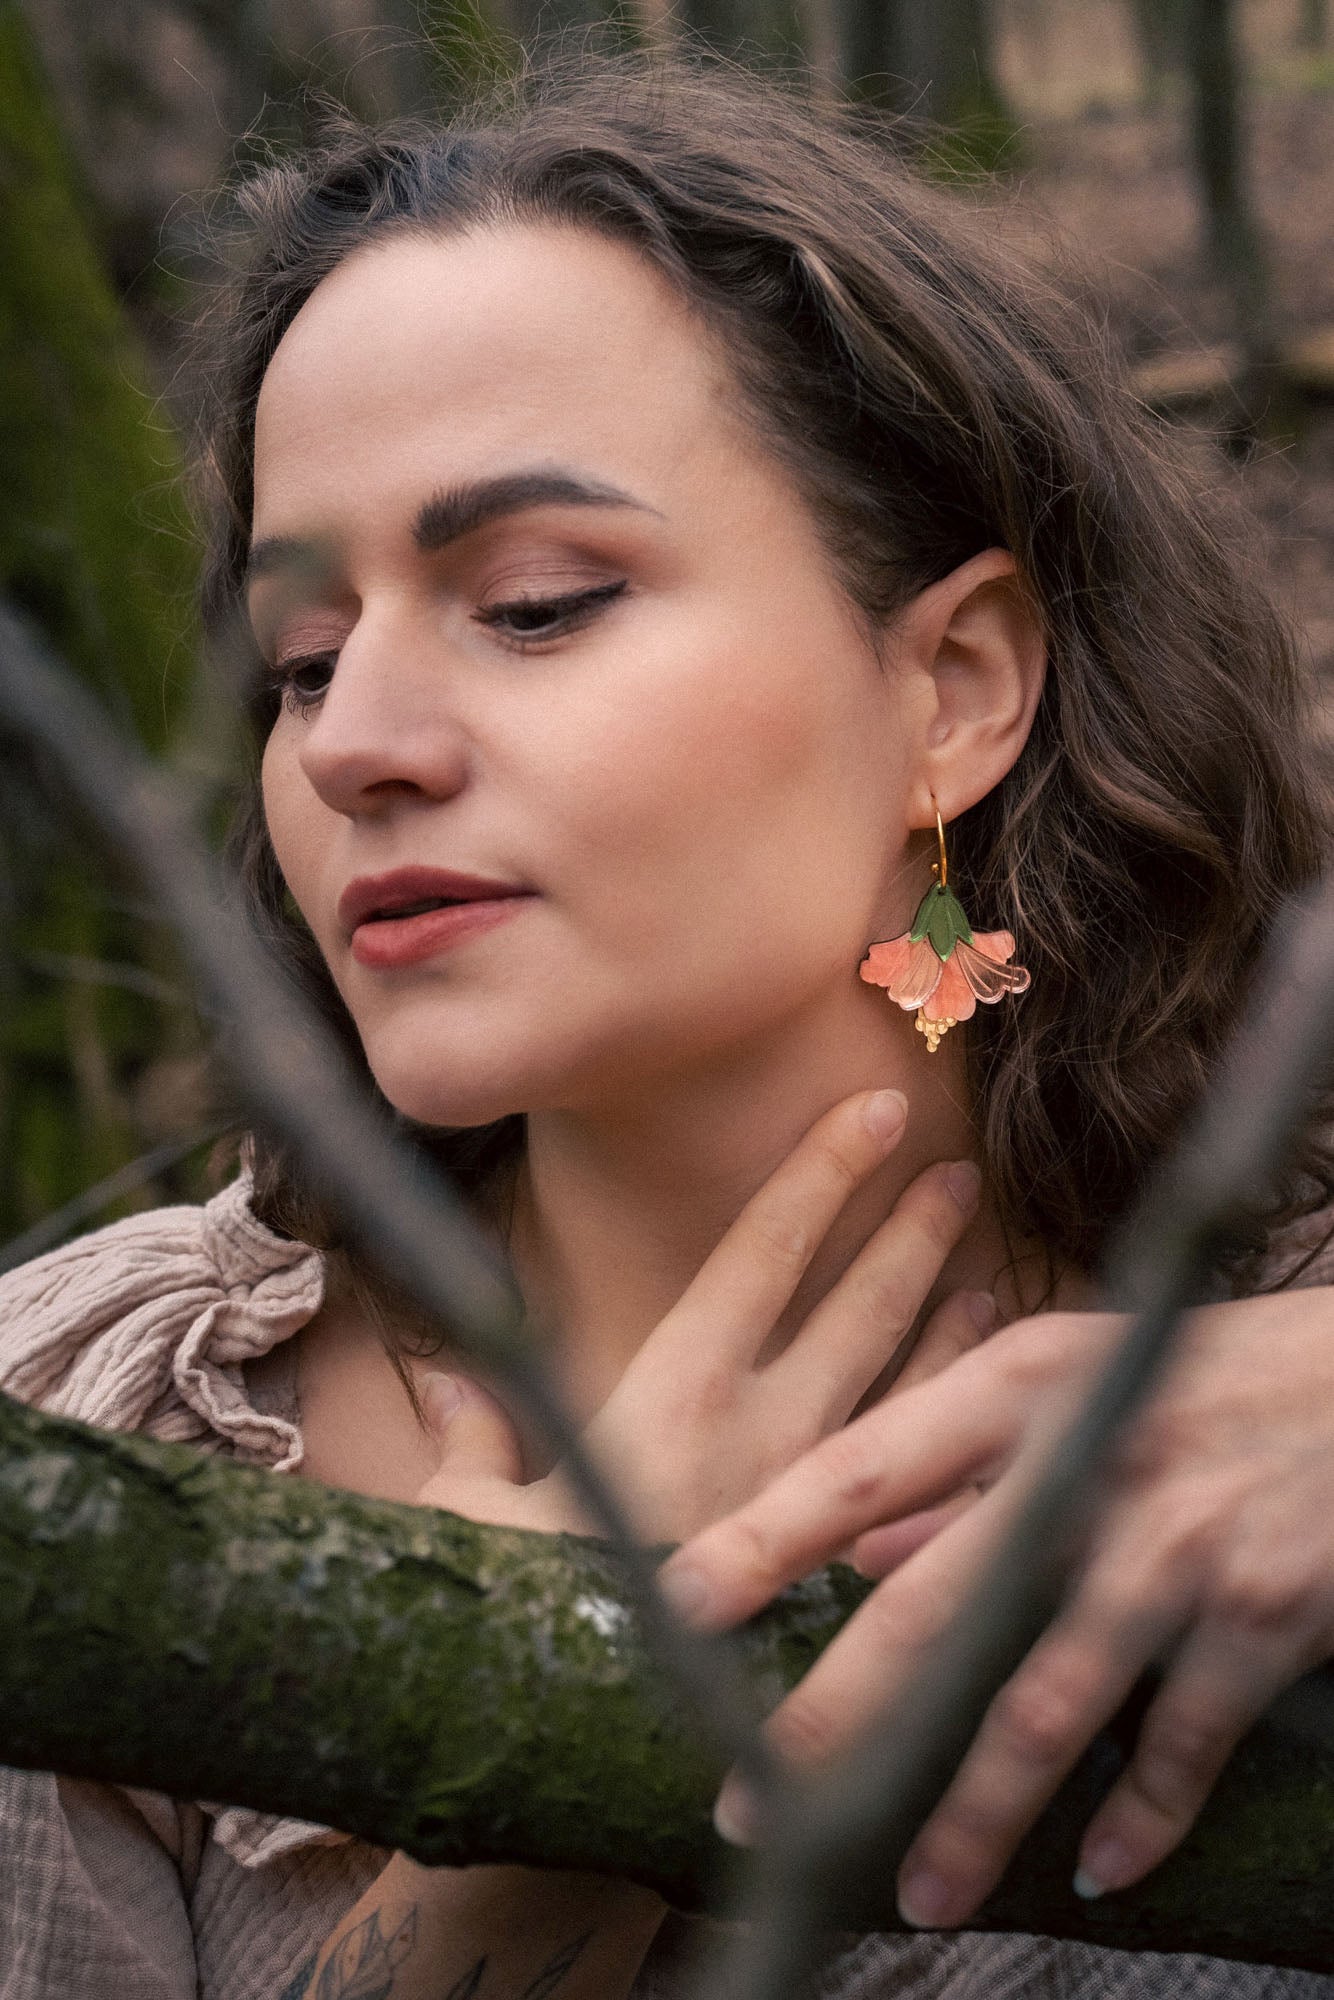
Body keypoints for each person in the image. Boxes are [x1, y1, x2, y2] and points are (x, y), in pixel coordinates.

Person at [2, 51, 1334, 2000]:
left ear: (952, 686)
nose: (356, 741)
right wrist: (517, 1800)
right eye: (298, 658)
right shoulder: (91, 1430)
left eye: (533, 601)